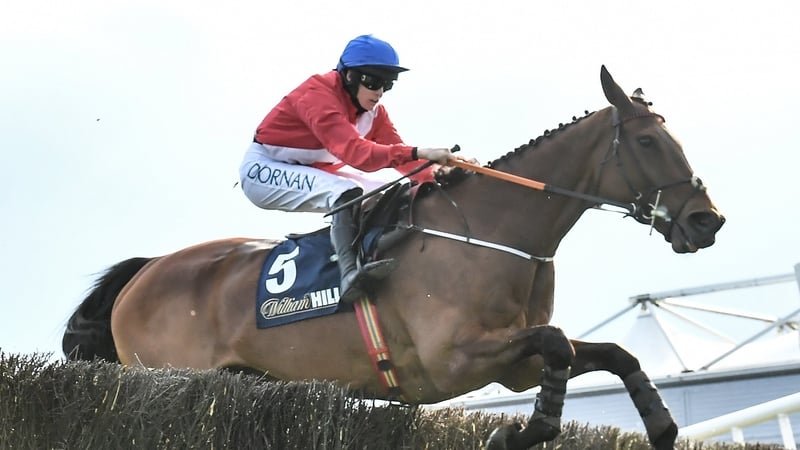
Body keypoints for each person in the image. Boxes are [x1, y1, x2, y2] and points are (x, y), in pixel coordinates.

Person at [239, 34, 464, 304]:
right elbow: (358, 155)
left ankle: (380, 251)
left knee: (389, 192)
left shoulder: (374, 114)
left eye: (387, 84)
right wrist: (420, 152)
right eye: (373, 82)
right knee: (348, 192)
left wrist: (443, 174)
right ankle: (349, 275)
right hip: (264, 169)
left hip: (312, 169)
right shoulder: (317, 96)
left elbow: (404, 161)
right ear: (348, 76)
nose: (379, 92)